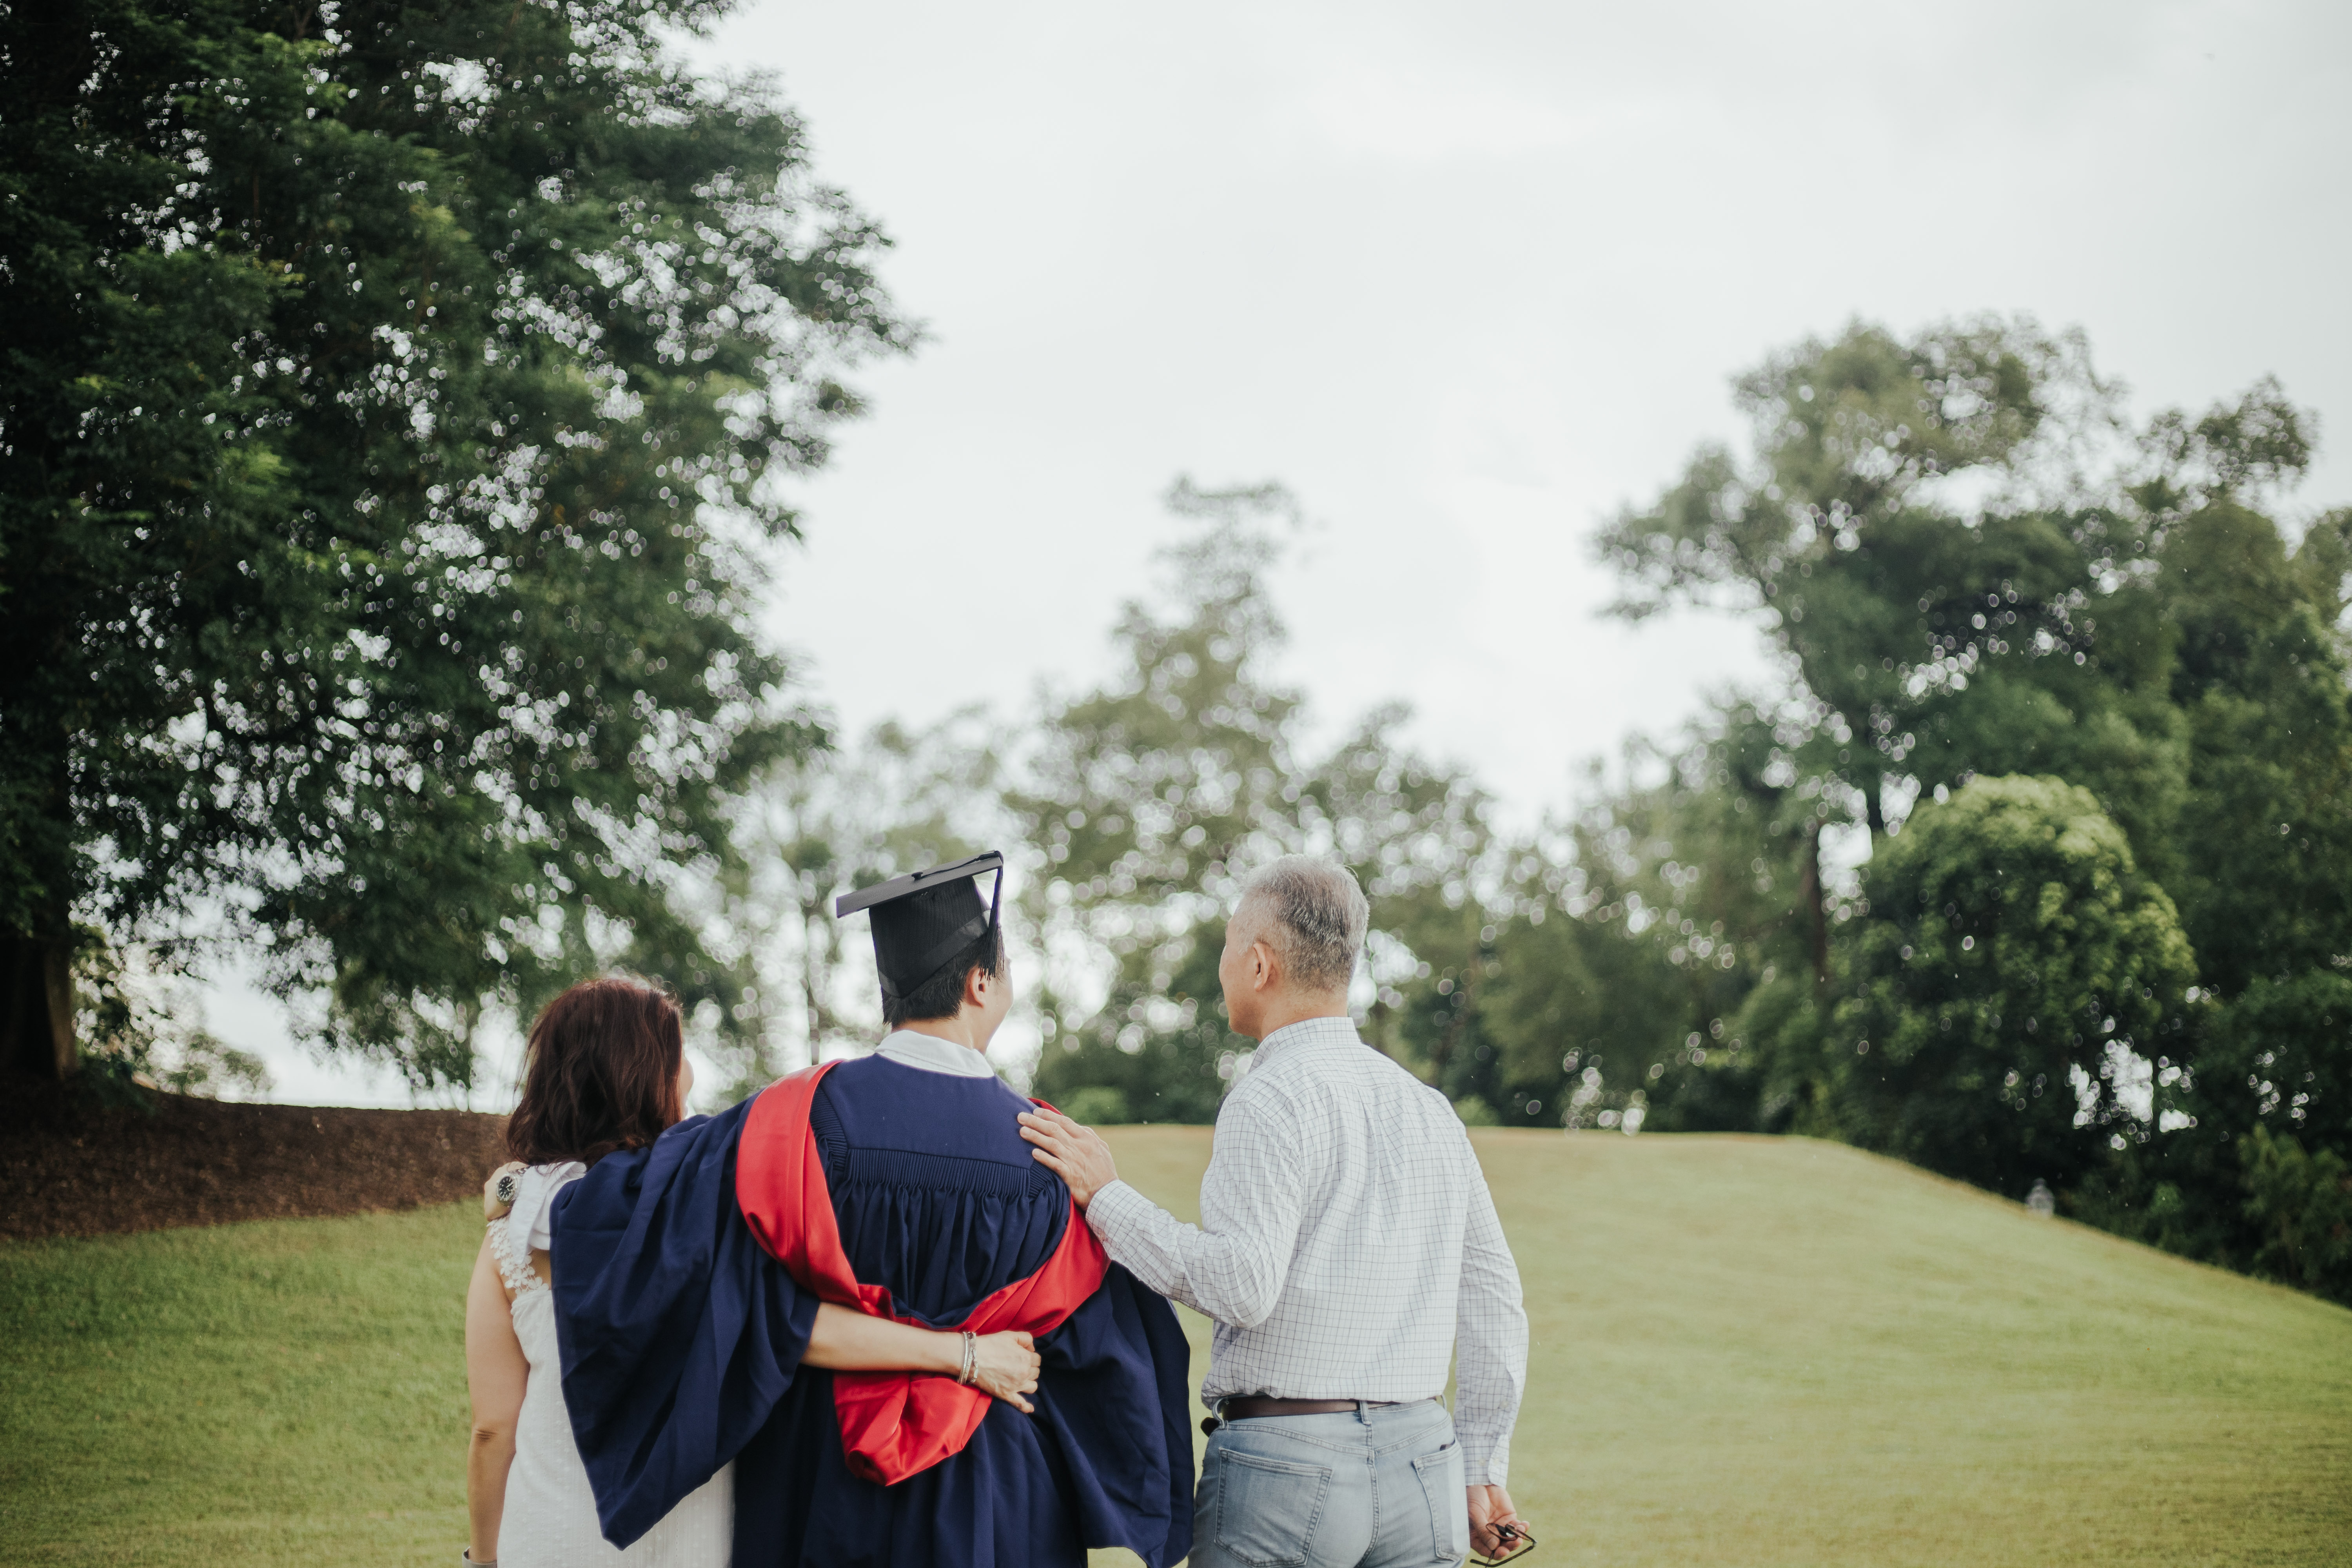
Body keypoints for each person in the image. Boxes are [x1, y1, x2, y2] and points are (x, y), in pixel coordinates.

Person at [543, 853, 1197, 1568]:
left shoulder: (790, 1121)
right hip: (1001, 1500)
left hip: (818, 1484)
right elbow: (1110, 1355)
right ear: (980, 981)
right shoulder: (1051, 1152)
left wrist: (519, 1194)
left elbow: (634, 1208)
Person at [1020, 855, 1534, 1567]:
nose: (1221, 968)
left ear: (1260, 964)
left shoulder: (1269, 1097)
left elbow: (1241, 1286)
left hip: (1287, 1474)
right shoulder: (1431, 1110)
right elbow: (1494, 1297)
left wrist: (1107, 1198)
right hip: (1427, 1473)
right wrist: (1481, 1465)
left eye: (1229, 947)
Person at [465, 974, 1044, 1568]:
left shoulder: (514, 1226)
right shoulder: (704, 1206)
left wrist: (482, 1560)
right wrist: (966, 1355)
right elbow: (799, 1327)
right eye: (680, 1054)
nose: (689, 1074)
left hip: (549, 1532)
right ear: (644, 1072)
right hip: (690, 1536)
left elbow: (492, 1430)